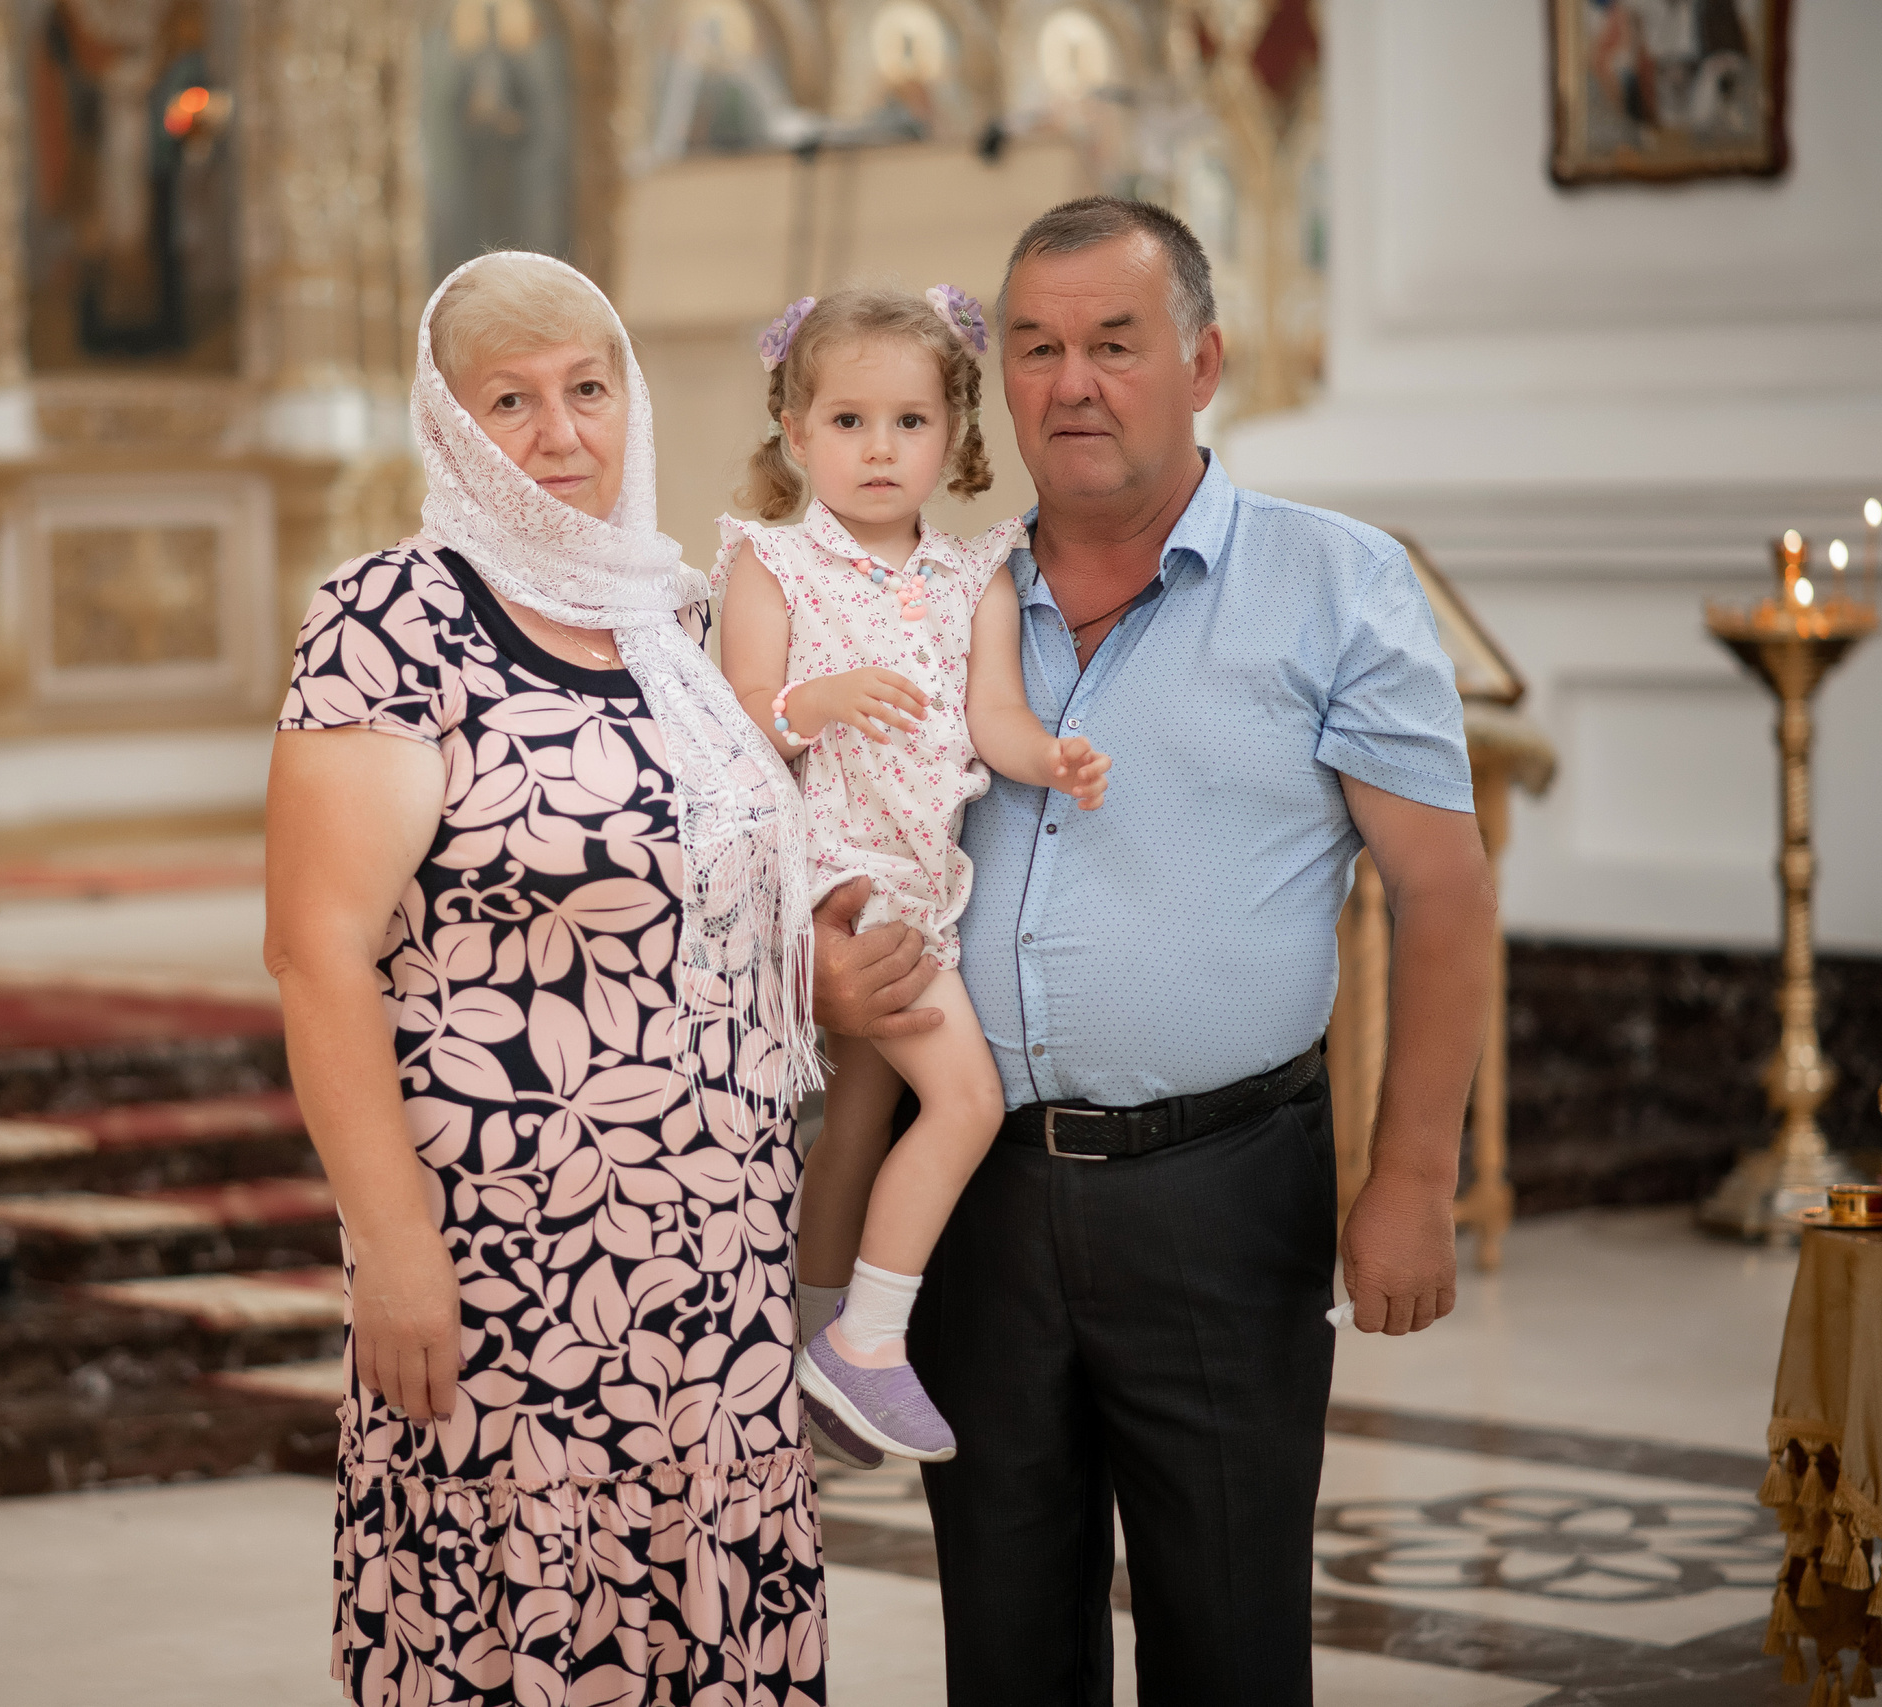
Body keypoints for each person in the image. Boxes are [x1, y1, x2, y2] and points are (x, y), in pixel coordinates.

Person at [813, 197, 1495, 1704]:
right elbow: (793, 827)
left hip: (1223, 1190)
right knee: (1006, 1639)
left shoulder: (1337, 584)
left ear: (1203, 358)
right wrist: (820, 966)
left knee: (1231, 1634)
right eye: (1040, 349)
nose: (1072, 383)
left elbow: (1443, 896)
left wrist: (1411, 1180)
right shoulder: (933, 597)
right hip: (972, 1194)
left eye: (1114, 344)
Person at [264, 251, 829, 1705]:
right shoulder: (394, 620)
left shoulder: (671, 625)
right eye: (509, 399)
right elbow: (315, 949)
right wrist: (391, 1248)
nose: (563, 432)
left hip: (714, 1270)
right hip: (512, 1269)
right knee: (527, 1638)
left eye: (588, 389)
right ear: (445, 425)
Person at [712, 285, 1109, 1466]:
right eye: (845, 423)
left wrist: (1050, 755)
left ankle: (811, 1332)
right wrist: (810, 702)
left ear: (955, 437)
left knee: (869, 1110)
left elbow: (992, 716)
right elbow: (728, 726)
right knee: (969, 1099)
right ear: (794, 432)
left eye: (908, 423)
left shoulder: (971, 573)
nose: (878, 449)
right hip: (834, 879)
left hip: (921, 878)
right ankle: (868, 1347)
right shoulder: (771, 564)